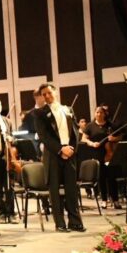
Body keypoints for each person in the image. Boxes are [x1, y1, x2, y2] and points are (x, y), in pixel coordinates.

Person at [33, 82, 85, 233]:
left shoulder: (68, 109)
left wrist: (72, 149)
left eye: (49, 93)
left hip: (70, 153)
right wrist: (60, 149)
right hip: (53, 155)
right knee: (54, 191)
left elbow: (75, 131)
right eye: (44, 94)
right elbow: (44, 136)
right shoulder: (39, 113)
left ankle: (75, 222)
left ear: (55, 92)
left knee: (71, 190)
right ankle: (60, 223)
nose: (47, 96)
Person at [81, 106, 122, 208]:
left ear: (104, 114)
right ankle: (104, 200)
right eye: (97, 112)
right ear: (94, 114)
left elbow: (121, 136)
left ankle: (115, 200)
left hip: (109, 154)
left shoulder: (110, 125)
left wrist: (114, 138)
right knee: (101, 177)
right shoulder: (90, 126)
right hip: (97, 153)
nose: (99, 114)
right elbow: (84, 139)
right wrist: (92, 143)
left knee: (112, 177)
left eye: (101, 112)